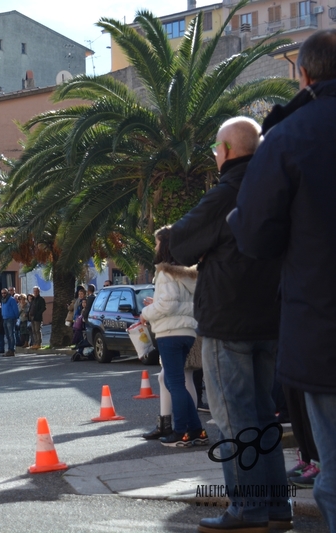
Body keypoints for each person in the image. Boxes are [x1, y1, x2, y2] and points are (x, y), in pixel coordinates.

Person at [226, 32, 336, 530]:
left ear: (305, 76)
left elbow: (253, 234)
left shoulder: (288, 137)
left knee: (333, 469)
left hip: (322, 326)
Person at [171, 116, 291, 531]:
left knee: (234, 420)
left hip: (228, 321)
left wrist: (169, 239)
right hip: (271, 319)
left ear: (225, 151)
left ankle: (247, 510)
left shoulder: (225, 192)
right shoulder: (276, 188)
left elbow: (181, 242)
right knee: (263, 416)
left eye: (216, 150)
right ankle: (277, 508)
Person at [139, 227, 205, 448]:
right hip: (187, 332)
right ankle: (196, 429)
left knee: (173, 382)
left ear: (165, 246)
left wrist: (146, 313)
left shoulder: (165, 273)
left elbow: (168, 303)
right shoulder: (187, 273)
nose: (155, 247)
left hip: (169, 332)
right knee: (176, 382)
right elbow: (178, 302)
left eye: (157, 243)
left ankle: (180, 431)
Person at [0, 287, 18, 357]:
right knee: (7, 335)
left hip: (10, 319)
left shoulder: (11, 299)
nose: (3, 294)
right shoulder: (3, 300)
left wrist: (16, 317)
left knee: (11, 335)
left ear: (7, 293)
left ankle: (12, 350)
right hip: (5, 319)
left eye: (4, 293)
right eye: (2, 293)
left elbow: (15, 309)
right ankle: (9, 349)